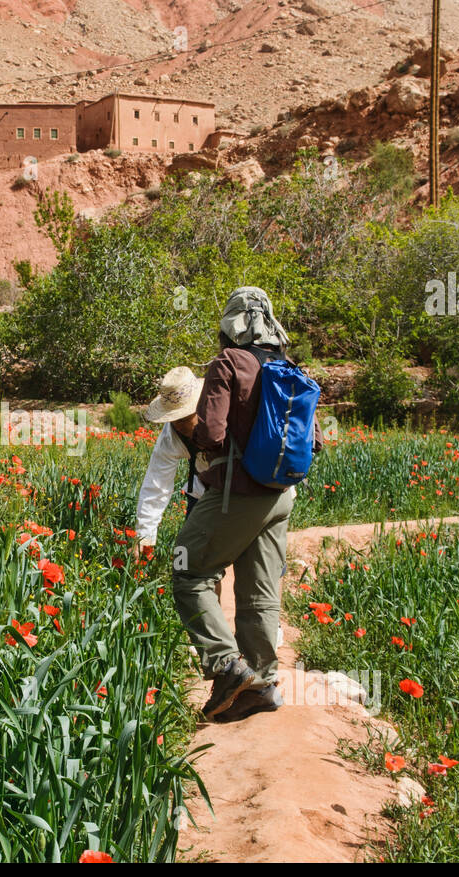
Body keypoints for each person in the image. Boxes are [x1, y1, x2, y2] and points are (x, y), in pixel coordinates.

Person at [173, 287, 322, 723]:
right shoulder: (289, 367)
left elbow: (213, 434)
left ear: (230, 325)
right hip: (281, 497)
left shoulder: (228, 363)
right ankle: (263, 684)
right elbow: (314, 441)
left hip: (235, 494)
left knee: (189, 570)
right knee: (259, 591)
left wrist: (198, 437)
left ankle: (225, 666)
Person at [135, 366, 208, 560]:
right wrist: (145, 536)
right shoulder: (172, 433)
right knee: (190, 567)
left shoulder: (232, 417)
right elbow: (156, 484)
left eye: (183, 418)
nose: (177, 425)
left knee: (258, 573)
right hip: (202, 495)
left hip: (245, 496)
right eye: (172, 419)